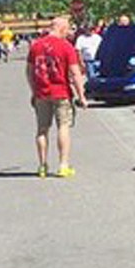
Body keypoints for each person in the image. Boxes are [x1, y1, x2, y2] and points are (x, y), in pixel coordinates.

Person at [27, 16, 88, 178]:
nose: (68, 32)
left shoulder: (36, 46)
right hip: (61, 92)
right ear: (61, 28)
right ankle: (63, 165)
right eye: (67, 29)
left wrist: (33, 91)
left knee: (42, 129)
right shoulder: (66, 47)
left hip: (41, 93)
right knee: (63, 127)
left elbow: (29, 72)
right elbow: (75, 73)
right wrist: (82, 96)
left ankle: (42, 165)